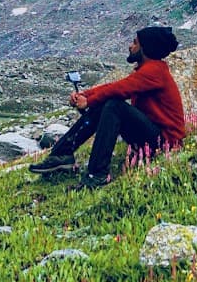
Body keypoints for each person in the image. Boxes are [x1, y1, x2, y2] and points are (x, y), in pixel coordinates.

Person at [30, 26, 185, 187]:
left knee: (114, 106)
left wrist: (88, 101)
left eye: (135, 43)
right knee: (107, 103)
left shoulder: (154, 71)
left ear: (145, 48)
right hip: (154, 135)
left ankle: (97, 174)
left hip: (165, 142)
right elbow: (116, 86)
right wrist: (86, 94)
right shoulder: (150, 70)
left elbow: (120, 89)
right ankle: (62, 155)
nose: (130, 46)